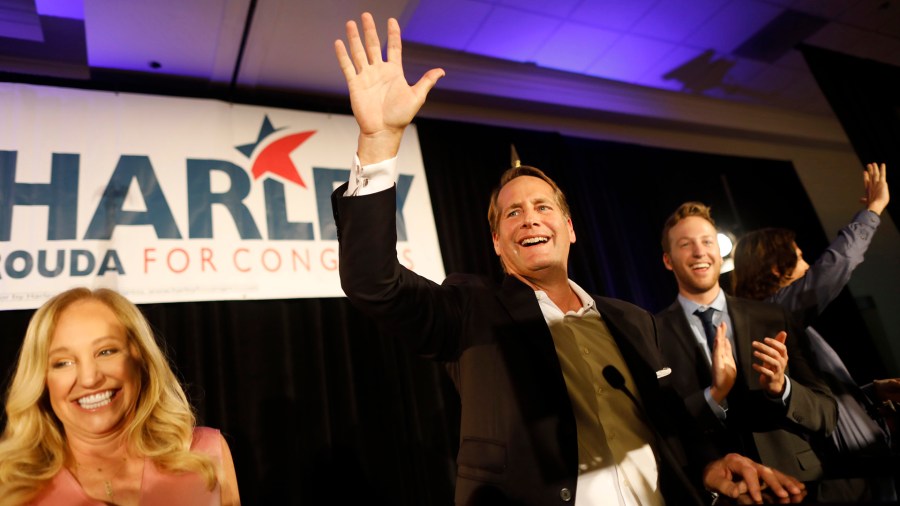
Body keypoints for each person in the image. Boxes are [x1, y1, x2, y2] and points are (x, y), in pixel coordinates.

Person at [332, 12, 806, 505]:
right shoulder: (469, 311)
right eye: (512, 213)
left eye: (542, 207)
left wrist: (710, 465)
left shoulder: (633, 320)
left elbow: (671, 428)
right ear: (497, 242)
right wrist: (379, 140)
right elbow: (372, 281)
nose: (529, 219)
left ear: (571, 229)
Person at [733, 162, 897, 502]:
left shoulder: (786, 320)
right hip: (850, 482)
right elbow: (835, 267)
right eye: (800, 257)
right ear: (777, 268)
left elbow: (818, 397)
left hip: (870, 471)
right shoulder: (772, 313)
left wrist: (870, 393)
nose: (808, 265)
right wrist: (873, 210)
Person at [654, 202, 838, 496]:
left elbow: (827, 414)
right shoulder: (653, 333)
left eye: (707, 242)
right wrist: (713, 395)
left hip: (800, 487)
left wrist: (782, 388)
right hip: (725, 493)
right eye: (685, 244)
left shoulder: (772, 318)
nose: (699, 252)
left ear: (718, 249)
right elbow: (662, 430)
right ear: (668, 259)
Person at [0, 287, 240, 505]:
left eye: (106, 351)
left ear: (140, 359)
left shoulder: (205, 453)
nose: (89, 379)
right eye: (63, 362)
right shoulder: (9, 481)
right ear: (42, 380)